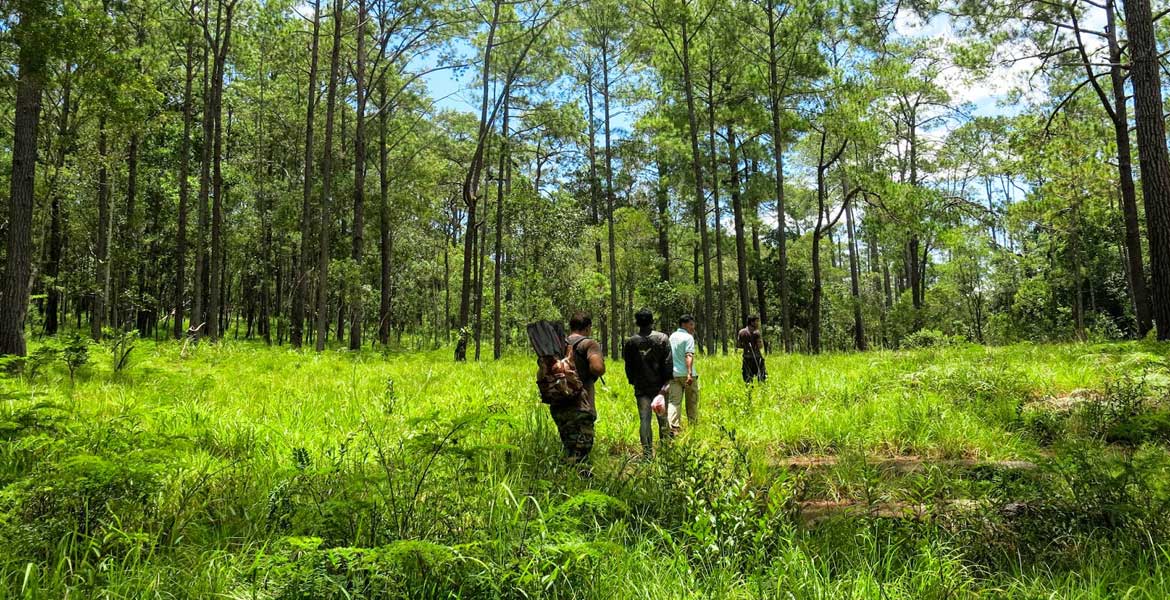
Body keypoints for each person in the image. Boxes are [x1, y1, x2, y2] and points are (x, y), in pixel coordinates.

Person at [553, 312, 605, 474]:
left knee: (569, 447)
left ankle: (567, 482)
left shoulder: (559, 344)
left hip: (559, 405)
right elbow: (597, 368)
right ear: (588, 328)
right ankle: (578, 486)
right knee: (581, 454)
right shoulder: (588, 344)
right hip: (581, 406)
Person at [622, 308, 673, 457]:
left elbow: (628, 367)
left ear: (637, 323)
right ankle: (666, 454)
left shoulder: (631, 342)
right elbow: (668, 364)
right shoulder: (662, 339)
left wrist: (634, 381)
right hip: (660, 388)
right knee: (663, 418)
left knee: (644, 420)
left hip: (641, 388)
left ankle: (647, 454)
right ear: (652, 321)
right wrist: (665, 385)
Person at [667, 315, 700, 435]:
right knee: (692, 402)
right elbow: (689, 355)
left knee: (674, 402)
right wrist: (690, 374)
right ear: (684, 324)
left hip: (674, 375)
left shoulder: (671, 337)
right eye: (691, 325)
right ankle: (693, 427)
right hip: (686, 375)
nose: (693, 327)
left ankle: (673, 428)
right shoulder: (688, 337)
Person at [737, 315, 767, 383]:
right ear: (752, 322)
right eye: (756, 321)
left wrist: (746, 346)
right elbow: (760, 346)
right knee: (762, 378)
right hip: (757, 358)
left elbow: (738, 345)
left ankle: (749, 393)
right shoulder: (756, 332)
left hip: (746, 358)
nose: (758, 323)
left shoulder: (741, 332)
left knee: (748, 379)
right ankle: (762, 392)